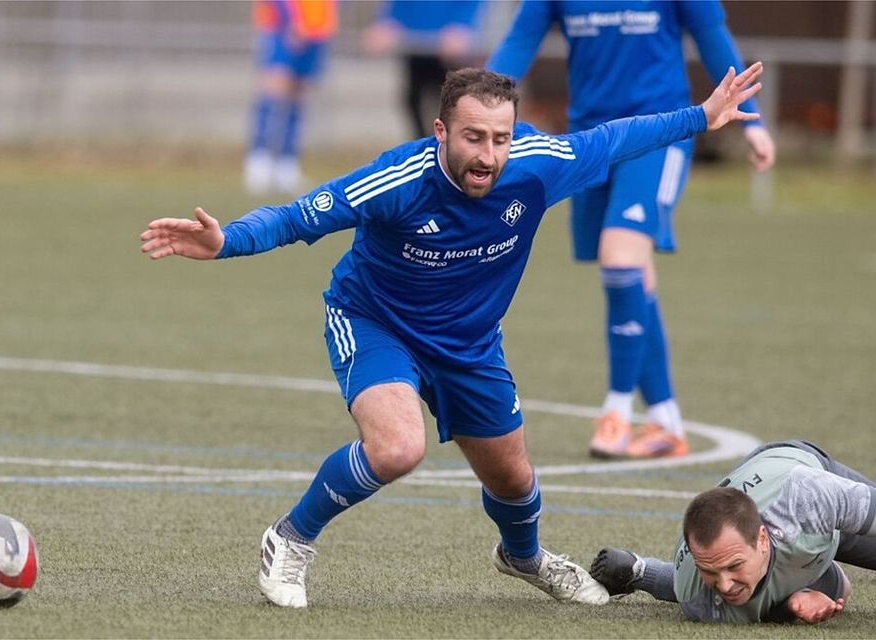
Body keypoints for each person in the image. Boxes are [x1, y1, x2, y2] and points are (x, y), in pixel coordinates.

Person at [140, 65, 764, 609]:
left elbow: (615, 138)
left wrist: (701, 116)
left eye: (501, 138)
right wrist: (226, 242)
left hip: (469, 344)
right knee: (397, 448)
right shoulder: (398, 180)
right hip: (374, 321)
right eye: (473, 138)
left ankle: (523, 558)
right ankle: (292, 536)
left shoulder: (537, 167)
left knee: (515, 482)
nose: (489, 154)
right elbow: (300, 216)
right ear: (441, 132)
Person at [486, 1, 777, 460]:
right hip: (591, 140)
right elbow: (519, 42)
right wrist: (478, 111)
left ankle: (617, 412)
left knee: (620, 262)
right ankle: (665, 420)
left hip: (660, 134)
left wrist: (753, 121)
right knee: (633, 275)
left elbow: (713, 38)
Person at [589, 440, 876, 624]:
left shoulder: (811, 496)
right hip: (796, 543)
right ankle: (638, 570)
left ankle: (643, 571)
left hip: (792, 469)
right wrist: (789, 605)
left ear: (762, 539)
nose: (724, 586)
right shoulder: (699, 601)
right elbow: (833, 591)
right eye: (710, 571)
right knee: (835, 589)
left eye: (734, 565)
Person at [243, 0, 337, 194]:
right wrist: (290, 20)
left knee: (298, 98)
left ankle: (287, 164)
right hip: (283, 28)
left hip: (317, 29)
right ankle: (259, 160)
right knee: (273, 92)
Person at [362, 0, 484, 139]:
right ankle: (426, 148)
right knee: (414, 99)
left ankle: (454, 145)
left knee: (453, 102)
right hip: (417, 45)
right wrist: (389, 22)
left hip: (453, 49)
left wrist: (463, 24)